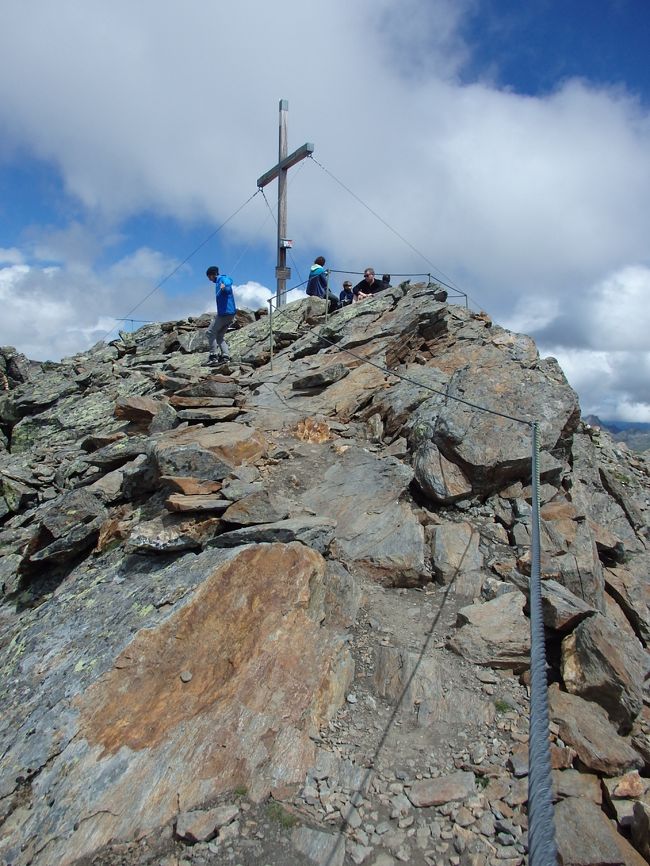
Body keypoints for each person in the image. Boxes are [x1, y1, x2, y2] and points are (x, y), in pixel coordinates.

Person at [205, 265, 237, 366]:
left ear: (212, 275)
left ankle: (213, 356)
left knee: (210, 332)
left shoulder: (222, 279)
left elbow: (229, 281)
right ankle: (225, 356)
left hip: (225, 313)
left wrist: (224, 286)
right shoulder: (218, 281)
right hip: (229, 314)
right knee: (219, 336)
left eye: (209, 277)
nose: (209, 279)